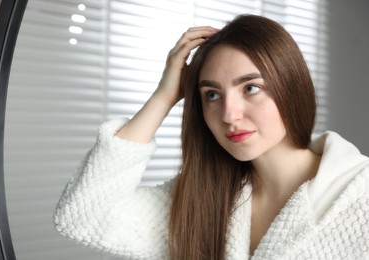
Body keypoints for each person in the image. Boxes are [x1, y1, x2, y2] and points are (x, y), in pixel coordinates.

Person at [53, 14, 369, 259]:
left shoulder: (359, 194)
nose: (230, 115)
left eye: (251, 88)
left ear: (291, 86)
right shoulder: (204, 200)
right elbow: (84, 217)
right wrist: (163, 98)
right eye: (212, 95)